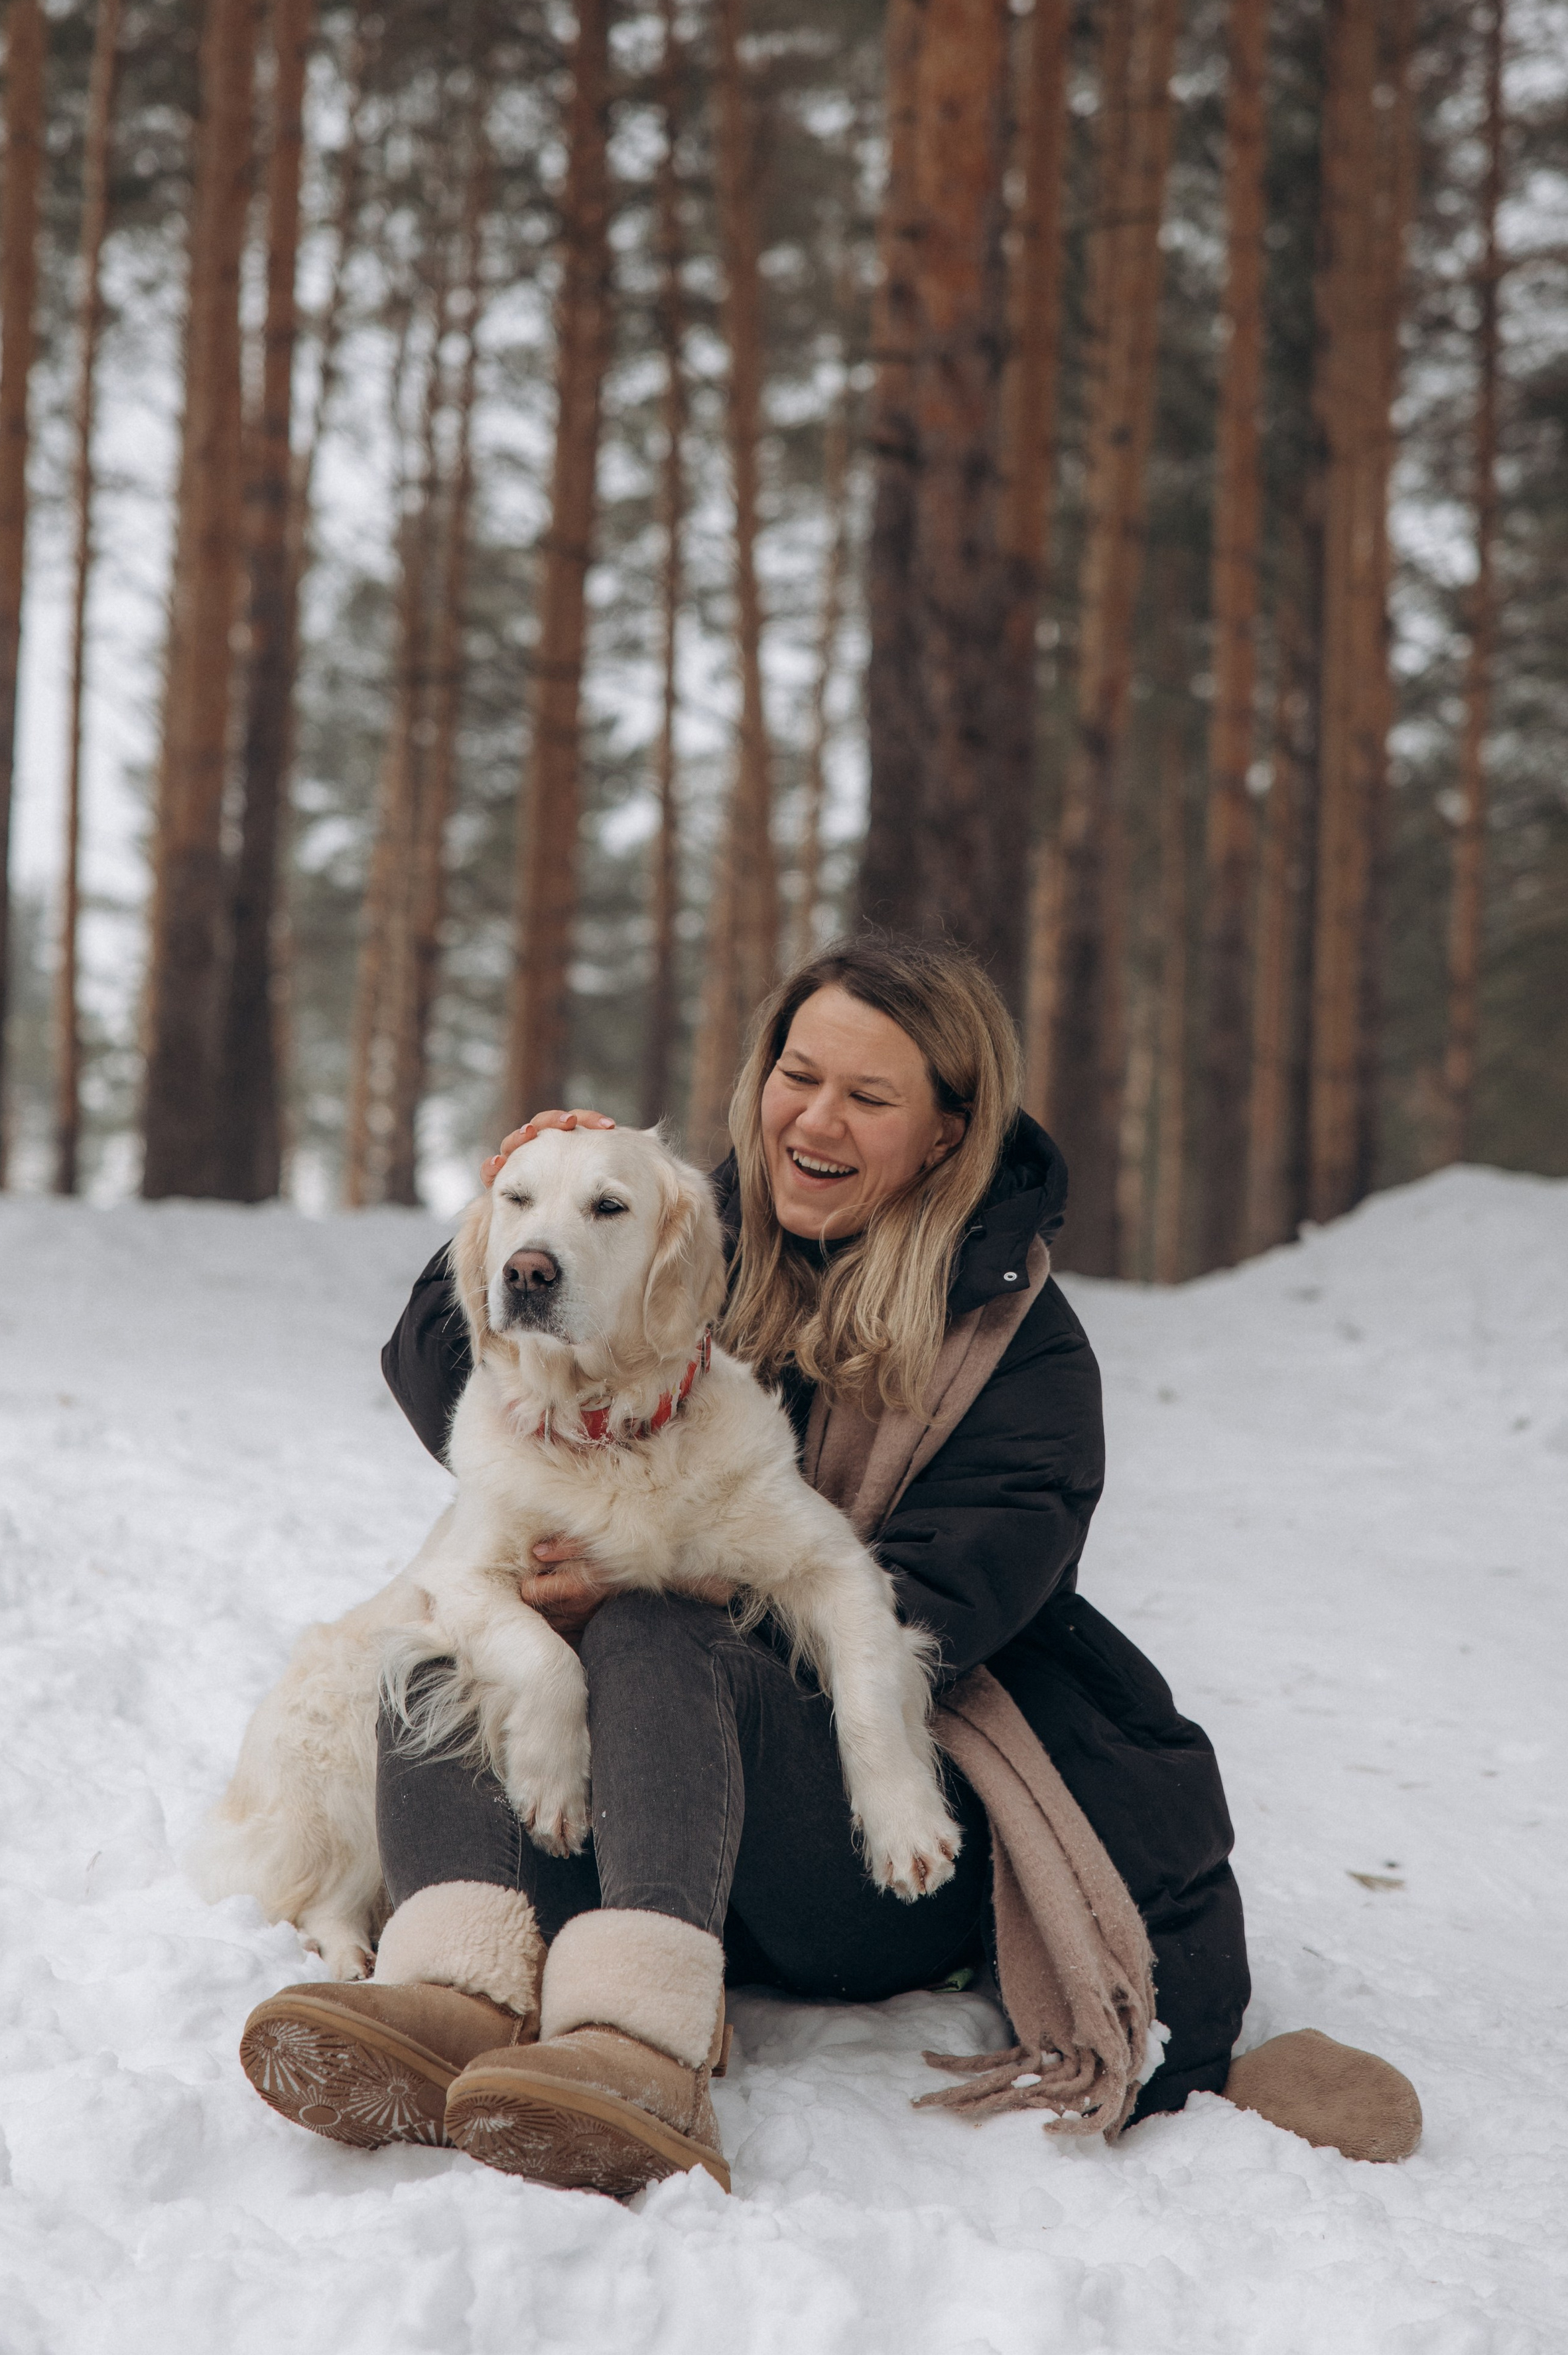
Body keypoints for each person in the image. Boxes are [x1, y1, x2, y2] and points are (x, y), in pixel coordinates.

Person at [241, 934, 1417, 2190]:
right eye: (799, 1074)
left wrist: (649, 1573)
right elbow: (460, 1384)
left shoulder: (1023, 1353)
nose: (815, 1117)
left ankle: (640, 2045)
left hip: (861, 1832)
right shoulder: (680, 1226)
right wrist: (520, 1199)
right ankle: (455, 1995)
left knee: (643, 1627)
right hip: (642, 1789)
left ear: (947, 1135)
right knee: (441, 1628)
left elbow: (939, 1600)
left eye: (869, 1096)